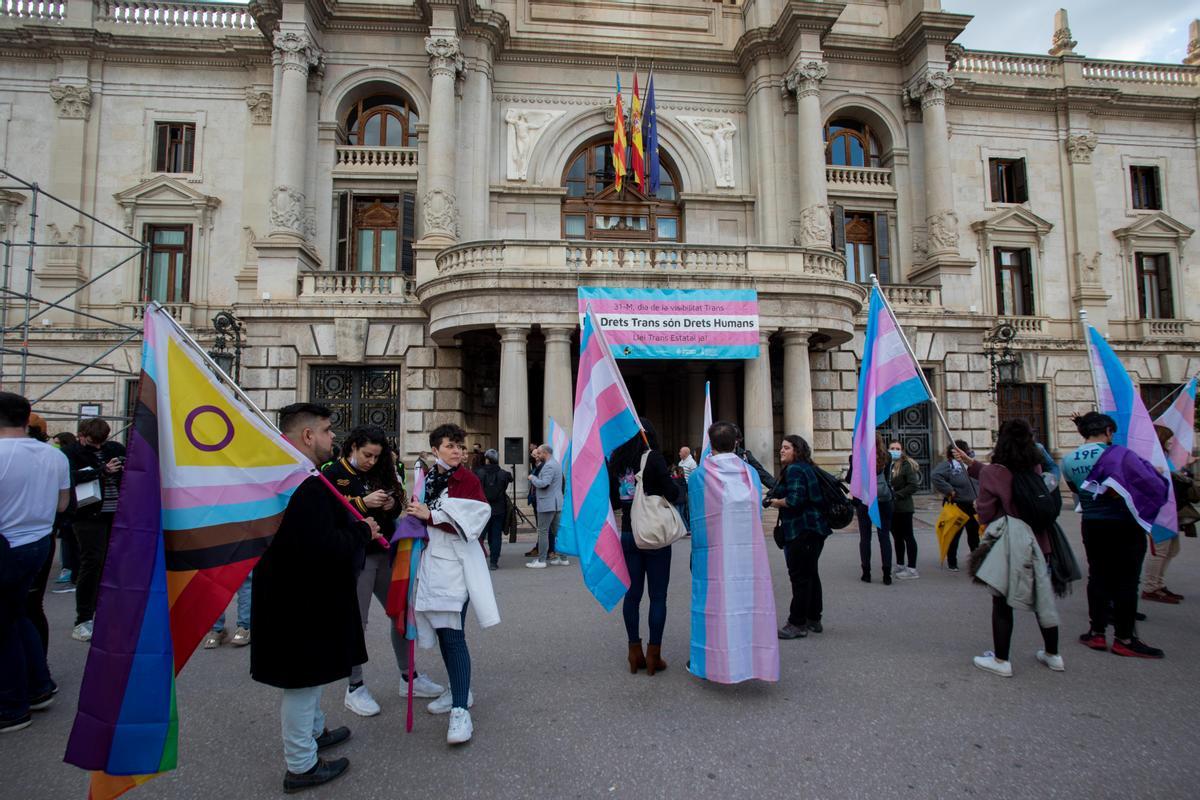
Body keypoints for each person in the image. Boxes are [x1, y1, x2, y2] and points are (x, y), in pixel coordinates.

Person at [251, 403, 379, 792]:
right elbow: (319, 545)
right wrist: (363, 532)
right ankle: (302, 765)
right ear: (307, 435)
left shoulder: (290, 475)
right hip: (300, 600)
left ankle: (316, 731)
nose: (332, 437)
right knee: (302, 682)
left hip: (299, 596)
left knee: (312, 674)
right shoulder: (302, 483)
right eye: (326, 430)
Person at [323, 426, 446, 717]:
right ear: (352, 447)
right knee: (357, 621)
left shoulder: (383, 470)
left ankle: (409, 676)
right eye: (367, 455)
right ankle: (354, 686)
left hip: (386, 552)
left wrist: (391, 504)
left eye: (377, 456)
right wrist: (363, 503)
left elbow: (398, 505)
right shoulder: (332, 473)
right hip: (356, 557)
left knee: (402, 614)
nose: (371, 461)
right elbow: (327, 511)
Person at [408, 422, 499, 745]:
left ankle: (461, 709)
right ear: (436, 449)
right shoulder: (428, 477)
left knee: (454, 634)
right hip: (432, 563)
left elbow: (475, 518)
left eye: (460, 446)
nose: (457, 451)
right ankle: (458, 690)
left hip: (456, 566)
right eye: (450, 446)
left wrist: (429, 516)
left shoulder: (468, 478)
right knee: (446, 635)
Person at [958, 420, 1062, 677]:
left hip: (1011, 545)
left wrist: (979, 506)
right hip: (1040, 541)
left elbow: (985, 509)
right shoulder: (1034, 466)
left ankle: (1002, 660)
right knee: (1042, 599)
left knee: (1002, 603)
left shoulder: (995, 471)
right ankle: (1053, 655)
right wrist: (971, 463)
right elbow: (1004, 476)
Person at [1062, 412, 1167, 658]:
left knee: (1097, 577)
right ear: (1109, 431)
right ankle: (1125, 638)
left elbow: (1076, 490)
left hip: (1092, 523)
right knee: (1127, 581)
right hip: (1124, 524)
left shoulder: (1068, 460)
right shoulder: (1120, 455)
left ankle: (1097, 632)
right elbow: (1145, 483)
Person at [687, 421, 779, 683]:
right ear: (736, 443)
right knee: (750, 607)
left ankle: (712, 662)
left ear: (710, 443)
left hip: (714, 555)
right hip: (748, 554)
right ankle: (753, 661)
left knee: (714, 608)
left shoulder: (699, 476)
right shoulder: (749, 473)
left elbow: (697, 518)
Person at [0, 392, 70, 733]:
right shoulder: (53, 456)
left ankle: (12, 706)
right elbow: (62, 505)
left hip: (6, 544)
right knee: (23, 611)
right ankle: (40, 686)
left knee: (6, 624)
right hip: (40, 543)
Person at [610, 419, 677, 675]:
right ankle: (654, 655)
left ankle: (633, 651)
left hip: (628, 533)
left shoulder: (617, 462)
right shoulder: (654, 459)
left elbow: (614, 501)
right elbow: (672, 493)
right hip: (653, 533)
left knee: (633, 595)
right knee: (658, 596)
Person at [65, 418, 125, 642]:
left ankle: (111, 613)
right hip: (88, 515)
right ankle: (83, 618)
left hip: (116, 513)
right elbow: (68, 477)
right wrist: (101, 470)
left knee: (116, 563)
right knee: (92, 562)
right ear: (82, 435)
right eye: (92, 442)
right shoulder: (71, 452)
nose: (98, 447)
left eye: (101, 442)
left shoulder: (115, 449)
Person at [769, 435, 831, 639]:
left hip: (801, 530)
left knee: (800, 577)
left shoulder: (795, 469)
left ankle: (797, 623)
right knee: (811, 573)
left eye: (786, 447)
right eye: (781, 447)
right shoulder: (805, 467)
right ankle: (814, 618)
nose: (782, 451)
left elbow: (794, 500)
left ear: (797, 450)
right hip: (815, 529)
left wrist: (775, 502)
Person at [1140, 424, 1196, 604]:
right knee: (1160, 550)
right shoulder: (1150, 459)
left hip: (1170, 511)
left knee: (1172, 549)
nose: (1172, 442)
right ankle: (1150, 587)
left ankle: (1158, 584)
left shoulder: (1164, 458)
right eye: (1168, 439)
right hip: (1159, 512)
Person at [931, 439, 980, 571]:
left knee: (974, 535)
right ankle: (952, 562)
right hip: (957, 505)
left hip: (973, 505)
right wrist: (949, 490)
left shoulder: (971, 464)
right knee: (954, 534)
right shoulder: (949, 465)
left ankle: (976, 562)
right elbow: (935, 476)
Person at [851, 433, 894, 584]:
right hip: (883, 499)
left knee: (865, 537)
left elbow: (852, 477)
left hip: (865, 498)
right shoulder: (886, 456)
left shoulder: (857, 456)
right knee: (884, 537)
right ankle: (887, 575)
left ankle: (866, 573)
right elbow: (888, 478)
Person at [527, 445, 568, 568]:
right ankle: (563, 558)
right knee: (556, 532)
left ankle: (541, 560)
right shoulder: (555, 464)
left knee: (543, 531)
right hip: (555, 503)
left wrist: (532, 477)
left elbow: (544, 484)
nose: (537, 456)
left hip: (547, 503)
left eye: (539, 453)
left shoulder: (549, 465)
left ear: (545, 453)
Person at [50, 432, 79, 592]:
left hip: (68, 510)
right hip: (66, 509)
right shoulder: (60, 457)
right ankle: (67, 569)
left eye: (57, 443)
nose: (55, 446)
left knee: (69, 542)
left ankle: (69, 570)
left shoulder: (63, 458)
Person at [474, 449, 512, 571]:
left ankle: (477, 560)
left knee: (480, 535)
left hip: (482, 508)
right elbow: (509, 479)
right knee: (496, 535)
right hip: (499, 508)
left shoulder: (479, 473)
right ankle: (494, 562)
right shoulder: (504, 474)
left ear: (487, 459)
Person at [888, 441, 921, 579]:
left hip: (904, 507)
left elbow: (913, 485)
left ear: (902, 450)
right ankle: (900, 564)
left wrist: (897, 494)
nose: (895, 451)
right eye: (892, 448)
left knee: (908, 536)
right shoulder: (888, 465)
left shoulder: (907, 465)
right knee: (897, 537)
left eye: (897, 449)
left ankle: (912, 568)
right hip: (892, 508)